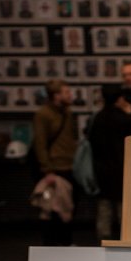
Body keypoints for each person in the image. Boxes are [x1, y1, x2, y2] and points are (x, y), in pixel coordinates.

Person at [88, 84, 131, 240]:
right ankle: (126, 237)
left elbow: (92, 141)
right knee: (124, 206)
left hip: (102, 169)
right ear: (118, 99)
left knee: (104, 207)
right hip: (123, 168)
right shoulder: (123, 119)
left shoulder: (98, 118)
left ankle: (103, 238)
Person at [32, 79, 78, 246]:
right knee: (51, 209)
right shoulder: (43, 115)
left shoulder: (67, 113)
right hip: (54, 168)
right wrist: (47, 170)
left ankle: (65, 242)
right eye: (66, 92)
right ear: (56, 95)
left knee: (67, 207)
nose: (70, 95)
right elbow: (40, 143)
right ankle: (50, 245)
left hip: (68, 165)